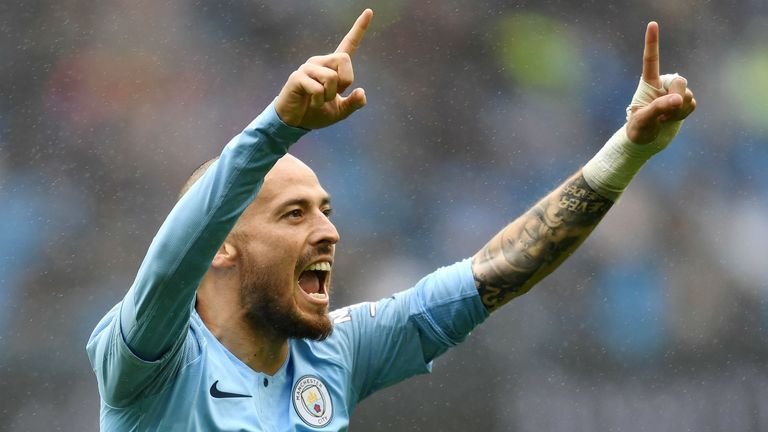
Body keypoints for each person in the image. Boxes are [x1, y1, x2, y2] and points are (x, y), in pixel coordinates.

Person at [86, 9, 696, 431]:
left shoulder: (333, 354)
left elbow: (496, 271)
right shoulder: (147, 360)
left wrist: (628, 150)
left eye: (326, 212)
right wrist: (277, 128)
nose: (327, 231)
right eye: (294, 215)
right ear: (221, 244)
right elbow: (173, 258)